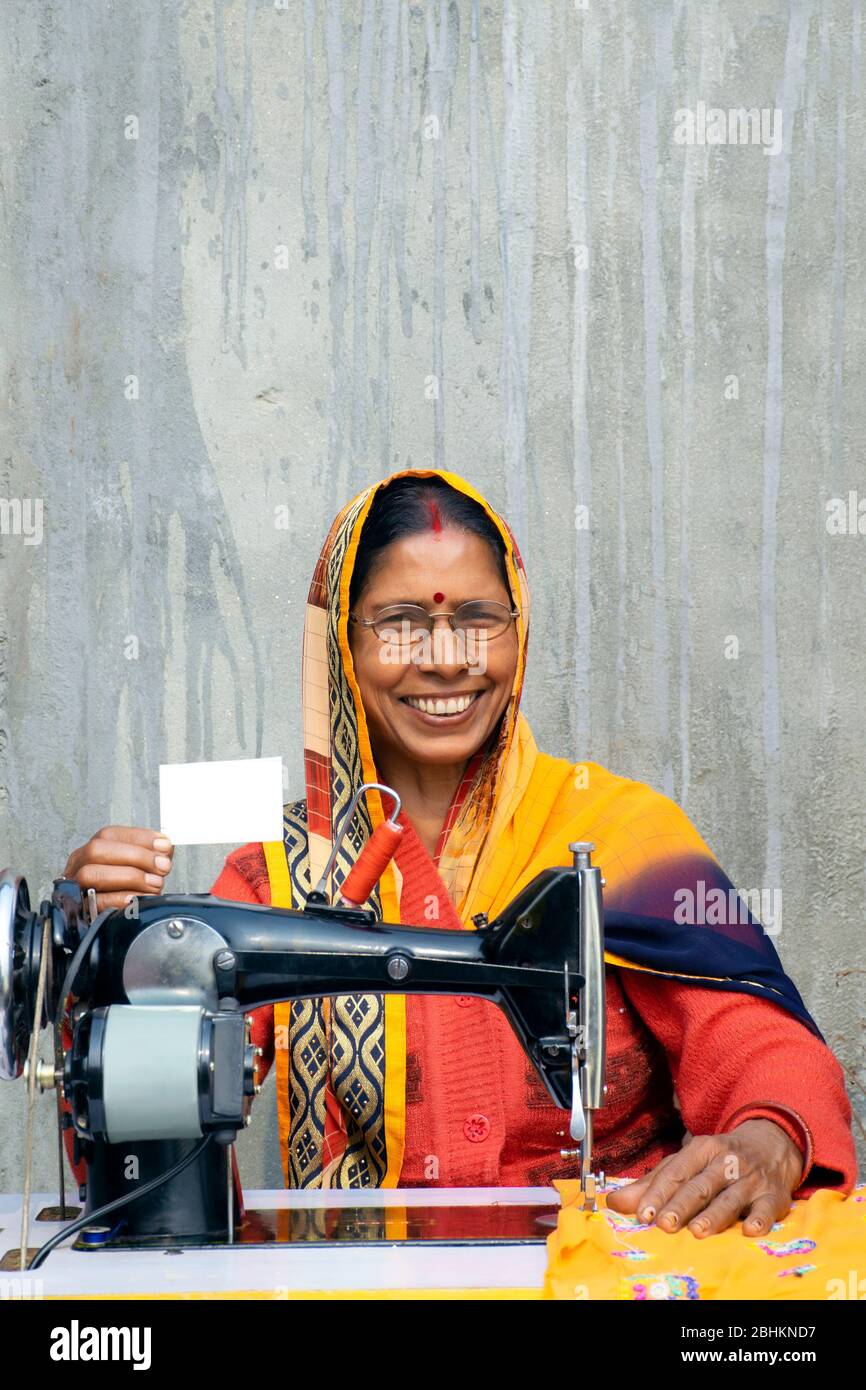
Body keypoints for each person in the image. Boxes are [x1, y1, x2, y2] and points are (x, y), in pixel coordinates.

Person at [64, 468, 857, 1238]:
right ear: (342, 642)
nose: (446, 657)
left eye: (478, 617)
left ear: (520, 627)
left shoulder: (622, 833)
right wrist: (112, 968)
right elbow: (159, 1168)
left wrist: (768, 1137)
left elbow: (759, 1045)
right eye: (401, 621)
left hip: (607, 1268)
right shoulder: (273, 873)